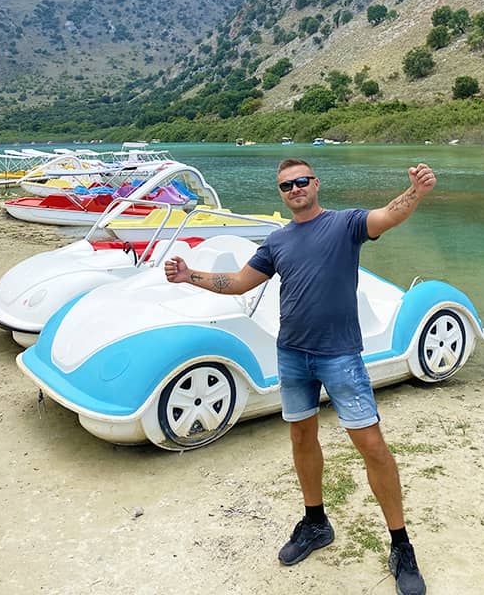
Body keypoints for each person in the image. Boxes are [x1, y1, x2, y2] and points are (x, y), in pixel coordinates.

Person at [165, 157, 437, 595]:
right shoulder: (277, 241)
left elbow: (391, 213)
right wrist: (188, 276)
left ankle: (401, 544)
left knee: (372, 445)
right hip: (292, 355)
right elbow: (237, 283)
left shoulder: (345, 225)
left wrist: (416, 192)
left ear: (315, 183)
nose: (295, 189)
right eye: (286, 186)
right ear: (282, 193)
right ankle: (316, 523)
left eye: (301, 181)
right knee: (300, 438)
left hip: (341, 355)